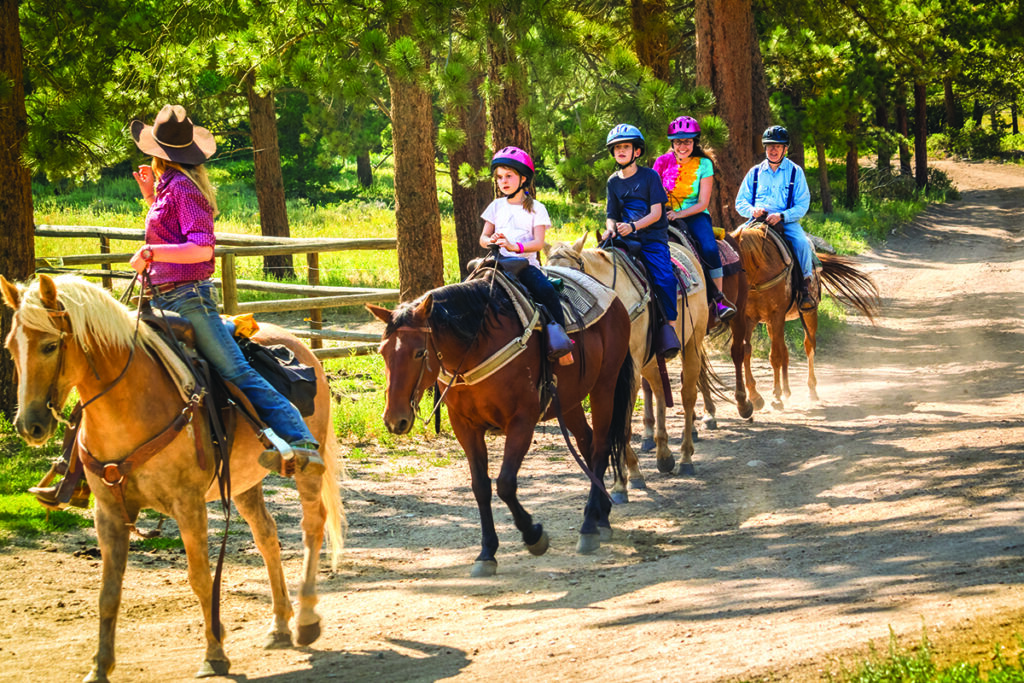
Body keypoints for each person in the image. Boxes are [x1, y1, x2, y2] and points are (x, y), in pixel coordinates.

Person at [127, 104, 323, 476]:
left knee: (236, 371)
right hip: (165, 295)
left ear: (158, 152)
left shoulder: (184, 188)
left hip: (187, 298)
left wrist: (151, 251)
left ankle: (301, 440)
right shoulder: (172, 186)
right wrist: (151, 198)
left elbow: (202, 248)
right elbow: (174, 232)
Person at [479, 146, 574, 365]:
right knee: (466, 289)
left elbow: (539, 243)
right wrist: (490, 241)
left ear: (523, 178)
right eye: (500, 177)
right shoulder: (495, 206)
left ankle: (562, 344)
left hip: (524, 266)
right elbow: (483, 238)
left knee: (546, 292)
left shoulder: (536, 208)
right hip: (495, 264)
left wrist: (514, 247)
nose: (503, 181)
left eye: (509, 176)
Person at [601, 124, 680, 358]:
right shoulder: (613, 181)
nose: (621, 151)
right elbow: (611, 215)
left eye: (626, 147)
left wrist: (634, 226)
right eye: (617, 148)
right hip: (624, 238)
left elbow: (657, 213)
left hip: (651, 238)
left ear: (637, 151)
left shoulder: (650, 176)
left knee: (665, 278)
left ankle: (669, 329)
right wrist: (610, 230)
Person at [652, 115, 736, 323]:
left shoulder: (704, 164)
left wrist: (678, 214)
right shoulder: (662, 162)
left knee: (708, 248)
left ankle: (719, 300)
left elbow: (703, 203)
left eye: (687, 141)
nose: (683, 146)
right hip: (663, 215)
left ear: (694, 142)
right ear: (672, 142)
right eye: (678, 141)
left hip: (695, 215)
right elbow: (651, 192)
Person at [735, 125, 816, 311]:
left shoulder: (795, 172)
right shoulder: (754, 172)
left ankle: (805, 286)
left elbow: (802, 204)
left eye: (778, 146)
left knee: (802, 243)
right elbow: (740, 203)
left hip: (785, 222)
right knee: (733, 243)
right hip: (756, 222)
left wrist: (782, 215)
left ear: (785, 149)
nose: (773, 150)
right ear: (764, 148)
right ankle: (730, 290)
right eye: (770, 146)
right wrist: (752, 210)